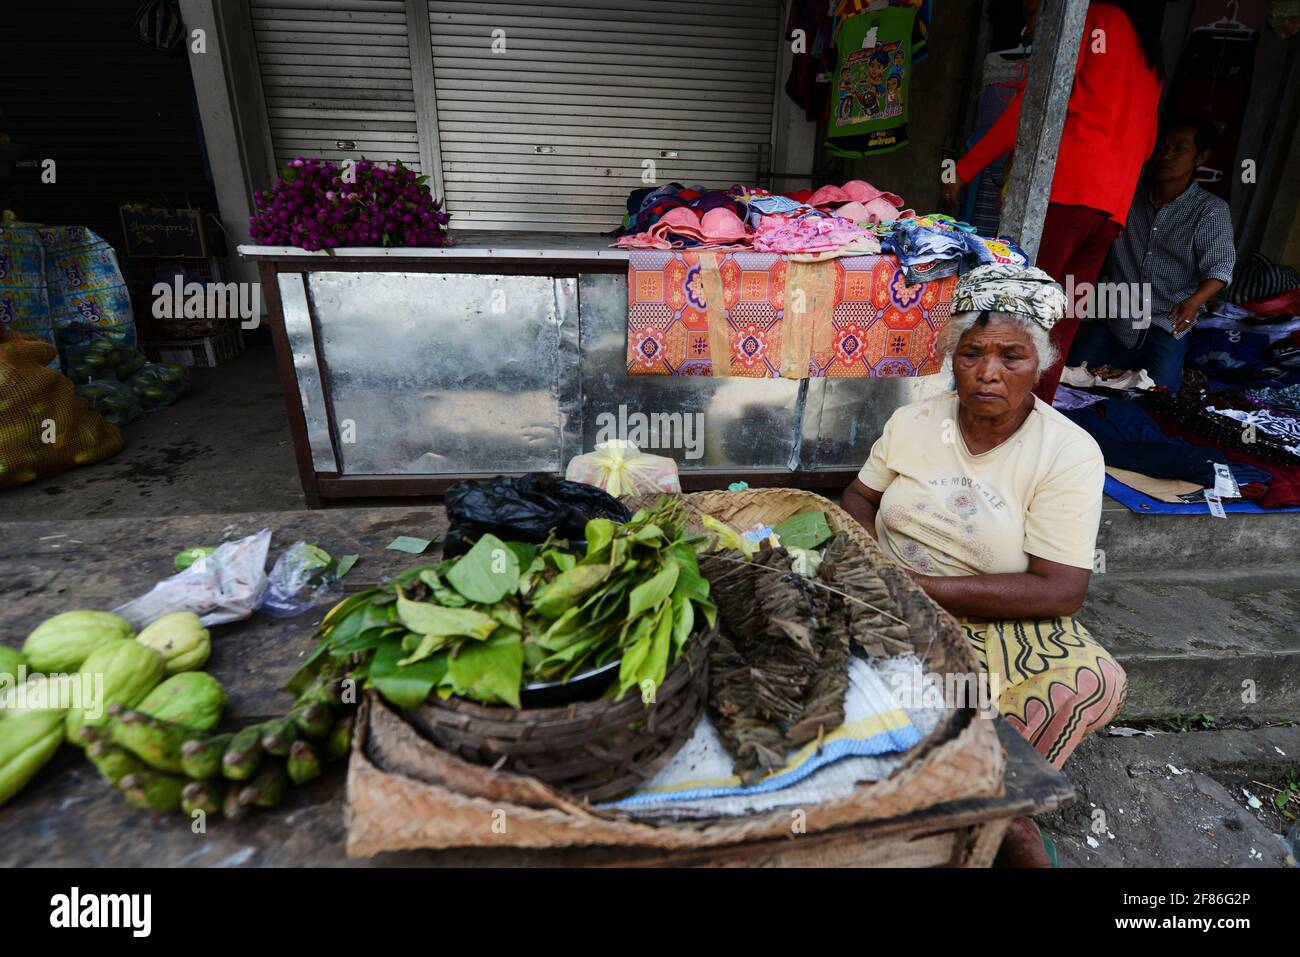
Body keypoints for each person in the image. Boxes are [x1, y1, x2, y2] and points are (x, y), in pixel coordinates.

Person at [841, 264, 1127, 867]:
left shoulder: (1068, 452)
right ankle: (993, 820)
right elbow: (860, 499)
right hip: (891, 591)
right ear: (953, 357)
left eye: (1012, 357)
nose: (988, 373)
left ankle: (995, 809)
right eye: (972, 353)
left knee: (1081, 682)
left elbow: (1060, 589)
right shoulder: (914, 420)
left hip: (996, 611)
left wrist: (919, 586)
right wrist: (872, 565)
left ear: (1042, 362)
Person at [940, 0, 1163, 404]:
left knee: (1017, 306)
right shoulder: (1146, 53)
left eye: (1030, 13)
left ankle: (992, 414)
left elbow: (1033, 105)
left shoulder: (1084, 17)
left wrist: (965, 169)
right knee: (1063, 318)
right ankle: (1033, 414)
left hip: (1064, 192)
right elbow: (1146, 145)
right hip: (1110, 209)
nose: (1029, 27)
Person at [1067, 117, 1237, 390]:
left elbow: (1221, 267)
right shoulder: (1128, 201)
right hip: (1116, 315)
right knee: (1067, 378)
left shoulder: (1210, 210)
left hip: (1167, 322)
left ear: (1201, 157)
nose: (1167, 155)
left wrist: (1194, 302)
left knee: (1159, 398)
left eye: (1179, 149)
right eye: (1161, 148)